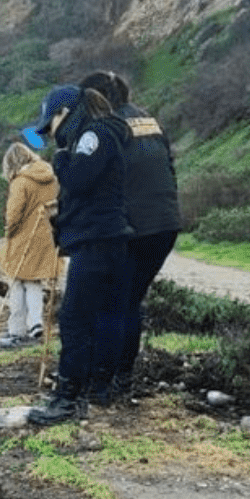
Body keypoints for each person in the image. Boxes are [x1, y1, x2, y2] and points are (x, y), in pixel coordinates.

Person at [25, 84, 132, 425]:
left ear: (64, 114)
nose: (50, 133)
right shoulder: (97, 134)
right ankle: (94, 389)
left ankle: (68, 399)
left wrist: (60, 160)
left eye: (50, 124)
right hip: (106, 238)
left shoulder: (93, 136)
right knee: (102, 316)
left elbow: (79, 181)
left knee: (74, 320)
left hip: (98, 240)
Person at [79, 70, 181, 401]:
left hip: (129, 228)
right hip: (164, 223)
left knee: (110, 304)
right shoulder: (149, 123)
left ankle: (102, 385)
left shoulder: (106, 129)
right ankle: (122, 378)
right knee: (130, 303)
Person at [0, 142, 61, 347]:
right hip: (44, 236)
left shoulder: (20, 182)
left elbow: (13, 215)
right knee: (33, 281)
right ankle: (35, 323)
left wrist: (9, 232)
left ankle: (16, 331)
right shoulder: (50, 177)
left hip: (23, 239)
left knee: (16, 283)